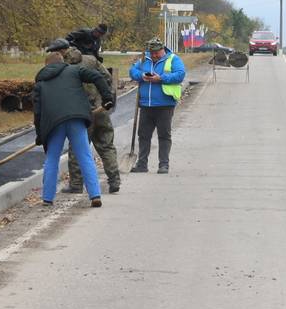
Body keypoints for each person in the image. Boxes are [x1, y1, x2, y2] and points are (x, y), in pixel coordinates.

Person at [33, 51, 115, 207]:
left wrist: (40, 134)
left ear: (46, 65)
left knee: (52, 158)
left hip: (53, 123)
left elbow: (37, 112)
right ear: (62, 61)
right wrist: (107, 98)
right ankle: (95, 195)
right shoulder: (74, 70)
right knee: (84, 156)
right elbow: (98, 76)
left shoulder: (40, 82)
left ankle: (47, 198)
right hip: (76, 119)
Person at [62, 47, 120, 194]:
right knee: (106, 145)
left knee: (77, 148)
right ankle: (114, 180)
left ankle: (76, 184)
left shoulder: (66, 68)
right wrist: (106, 97)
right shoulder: (92, 60)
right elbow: (107, 77)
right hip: (100, 110)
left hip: (81, 113)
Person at [128, 37, 185, 174]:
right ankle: (142, 164)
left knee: (164, 135)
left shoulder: (173, 59)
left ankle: (163, 165)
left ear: (162, 50)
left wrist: (161, 78)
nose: (153, 56)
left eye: (156, 53)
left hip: (165, 105)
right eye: (151, 53)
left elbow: (180, 75)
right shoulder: (144, 58)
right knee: (143, 135)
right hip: (146, 105)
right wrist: (142, 76)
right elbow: (132, 71)